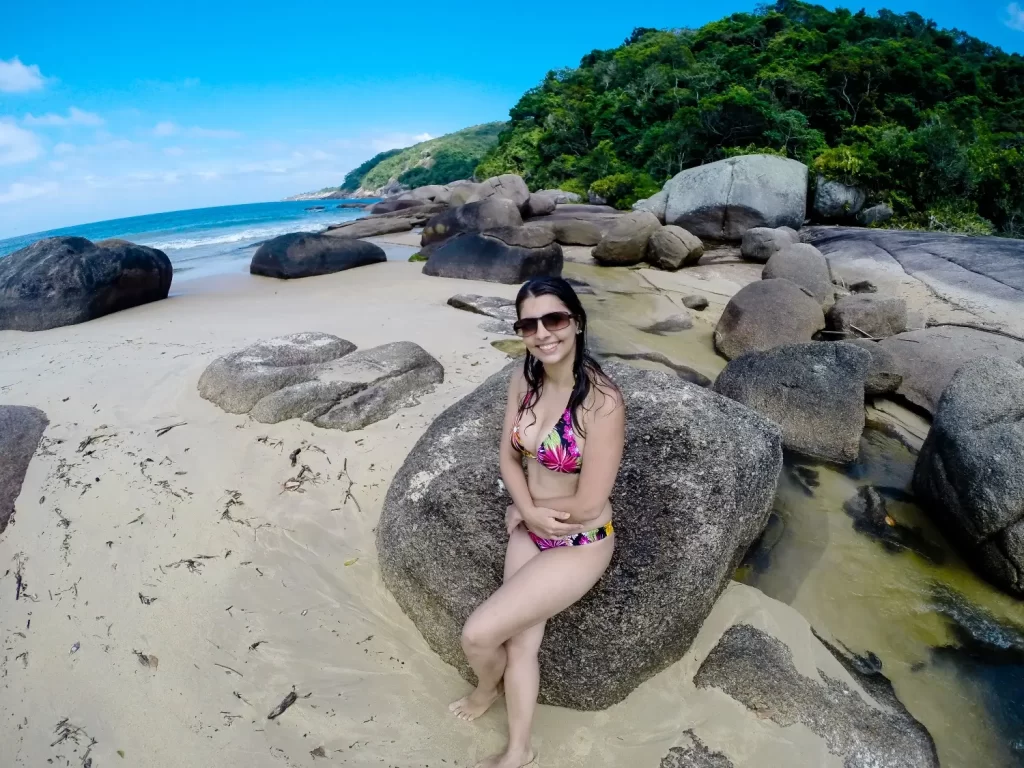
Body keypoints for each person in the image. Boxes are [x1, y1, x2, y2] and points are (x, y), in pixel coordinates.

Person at [449, 276, 626, 768]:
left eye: (555, 319)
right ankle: (516, 744)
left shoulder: (602, 401)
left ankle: (489, 694)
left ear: (577, 321)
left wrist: (531, 513)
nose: (543, 333)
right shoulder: (524, 379)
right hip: (533, 528)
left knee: (477, 634)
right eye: (529, 324)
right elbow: (508, 456)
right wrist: (526, 509)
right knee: (520, 642)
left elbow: (591, 502)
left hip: (579, 540)